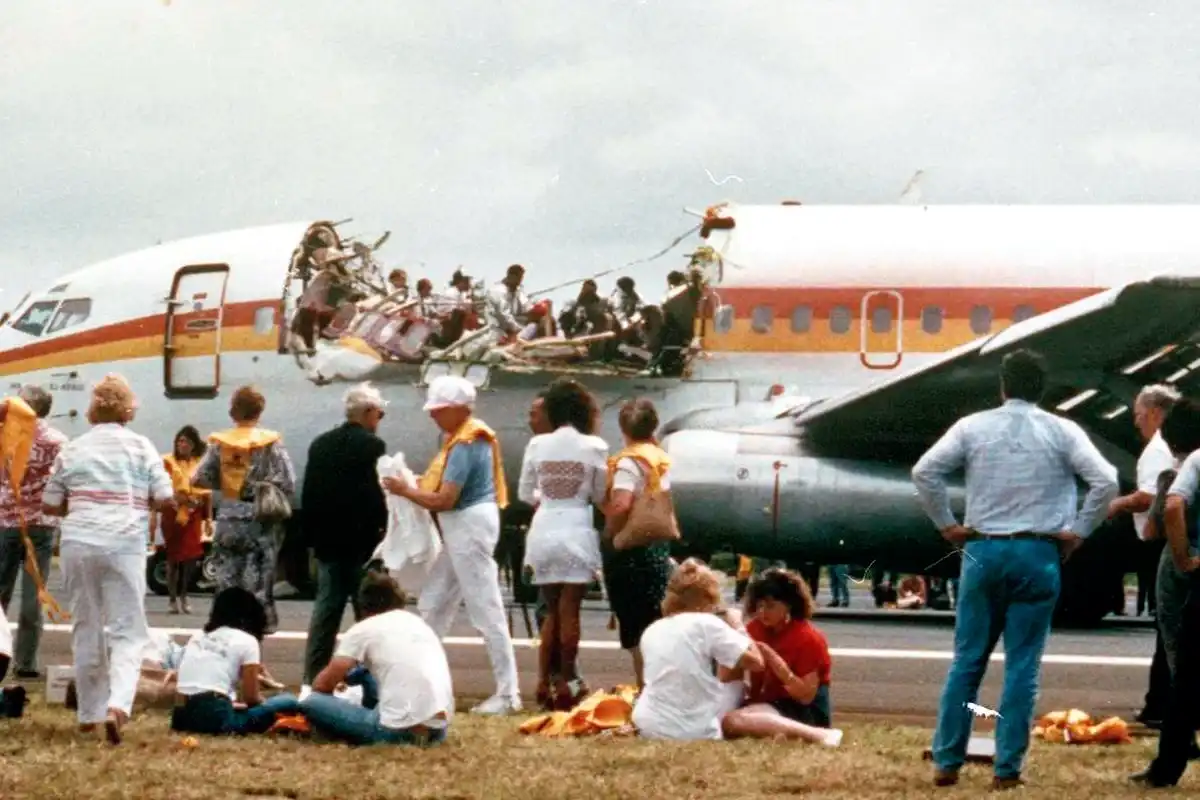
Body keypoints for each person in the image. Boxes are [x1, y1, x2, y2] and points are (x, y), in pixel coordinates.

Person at [911, 349, 1118, 790]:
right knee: (1023, 666)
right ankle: (1007, 769)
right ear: (1043, 389)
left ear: (1002, 385)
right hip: (1039, 552)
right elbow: (1105, 481)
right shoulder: (1063, 431)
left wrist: (947, 523)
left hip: (983, 549)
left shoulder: (973, 427)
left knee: (967, 662)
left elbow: (925, 471)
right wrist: (1079, 530)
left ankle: (947, 761)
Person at [41, 374, 175, 744]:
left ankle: (88, 713)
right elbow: (166, 497)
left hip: (78, 542)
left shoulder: (73, 449)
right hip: (124, 543)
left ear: (93, 410)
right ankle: (118, 706)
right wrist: (139, 502)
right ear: (129, 410)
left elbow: (50, 504)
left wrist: (82, 503)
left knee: (86, 625)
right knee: (129, 629)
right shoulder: (141, 447)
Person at [382, 374, 520, 715]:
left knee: (485, 609)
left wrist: (405, 491)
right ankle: (422, 683)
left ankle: (508, 693)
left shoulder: (464, 443)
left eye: (439, 409)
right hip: (466, 526)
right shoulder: (465, 438)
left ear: (459, 409)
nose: (432, 415)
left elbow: (444, 499)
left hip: (466, 525)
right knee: (433, 604)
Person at [519, 379, 607, 709]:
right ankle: (568, 681)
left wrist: (547, 497)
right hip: (576, 527)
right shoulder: (594, 446)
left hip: (544, 528)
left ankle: (543, 682)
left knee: (551, 612)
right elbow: (599, 494)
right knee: (570, 611)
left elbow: (525, 493)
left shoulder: (537, 445)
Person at [1130, 397, 1200, 788]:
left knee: (1184, 667)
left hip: (1188, 573)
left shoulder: (1186, 466)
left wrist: (1185, 557)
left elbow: (1168, 513)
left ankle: (1170, 763)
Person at [301, 382, 389, 686]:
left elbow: (309, 495)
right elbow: (374, 496)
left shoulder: (320, 444)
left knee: (325, 614)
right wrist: (383, 532)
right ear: (367, 412)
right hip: (362, 544)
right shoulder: (373, 446)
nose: (380, 420)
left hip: (328, 543)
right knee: (368, 616)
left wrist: (312, 538)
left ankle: (312, 679)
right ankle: (373, 681)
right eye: (380, 414)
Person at [302, 571, 453, 746]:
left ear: (364, 605)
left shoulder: (363, 629)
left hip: (395, 731)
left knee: (311, 702)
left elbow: (321, 686)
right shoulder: (418, 623)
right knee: (367, 674)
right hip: (437, 730)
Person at [192, 386, 296, 634]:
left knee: (227, 576)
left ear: (233, 411)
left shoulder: (219, 443)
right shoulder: (271, 443)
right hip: (260, 519)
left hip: (229, 517)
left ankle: (223, 626)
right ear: (260, 411)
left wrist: (227, 484)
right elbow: (289, 481)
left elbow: (199, 478)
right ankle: (254, 631)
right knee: (258, 580)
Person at [1108, 384, 1180, 729]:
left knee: (1166, 626)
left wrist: (1116, 504)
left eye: (1138, 415)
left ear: (1154, 412)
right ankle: (1161, 703)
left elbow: (1150, 497)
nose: (1136, 423)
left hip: (1160, 544)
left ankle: (1160, 705)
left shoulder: (1157, 450)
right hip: (1167, 542)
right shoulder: (1169, 448)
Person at [630, 559, 765, 740]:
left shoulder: (652, 629)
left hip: (649, 725)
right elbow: (756, 663)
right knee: (735, 668)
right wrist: (738, 626)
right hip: (695, 731)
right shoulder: (707, 623)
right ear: (710, 597)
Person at [600, 398, 676, 688]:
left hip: (630, 551)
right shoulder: (659, 459)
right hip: (656, 548)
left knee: (635, 627)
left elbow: (620, 504)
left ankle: (646, 688)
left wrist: (611, 536)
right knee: (655, 621)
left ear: (623, 427)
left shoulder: (629, 462)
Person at [723, 568, 843, 745]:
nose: (763, 612)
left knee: (733, 721)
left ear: (789, 604)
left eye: (770, 606)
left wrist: (775, 662)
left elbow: (805, 696)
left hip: (803, 709)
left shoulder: (809, 638)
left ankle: (820, 735)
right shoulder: (755, 629)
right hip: (771, 703)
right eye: (759, 606)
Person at [0, 384, 68, 679]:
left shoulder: (5, 435)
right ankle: (26, 663)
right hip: (40, 525)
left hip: (5, 521)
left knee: (0, 595)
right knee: (33, 595)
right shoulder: (58, 440)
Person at [171, 587, 301, 735]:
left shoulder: (198, 636)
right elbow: (251, 697)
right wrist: (266, 701)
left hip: (181, 715)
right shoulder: (248, 641)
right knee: (288, 701)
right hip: (217, 717)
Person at [152, 425, 211, 616]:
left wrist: (208, 518)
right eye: (179, 441)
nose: (182, 445)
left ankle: (184, 594)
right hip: (173, 513)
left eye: (186, 441)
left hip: (194, 514)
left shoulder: (199, 463)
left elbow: (207, 493)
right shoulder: (167, 461)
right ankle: (171, 599)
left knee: (190, 558)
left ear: (194, 445)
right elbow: (162, 488)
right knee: (172, 558)